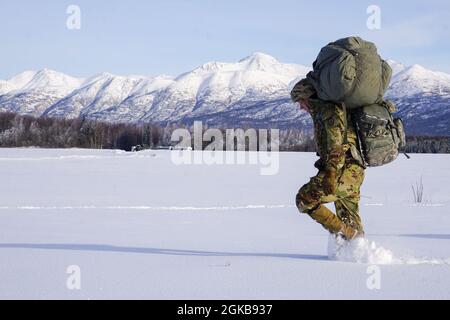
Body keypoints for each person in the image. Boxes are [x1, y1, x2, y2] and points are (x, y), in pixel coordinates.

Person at [291, 79, 366, 240]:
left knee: (304, 199)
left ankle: (347, 234)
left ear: (308, 97)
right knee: (349, 220)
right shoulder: (324, 111)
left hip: (343, 172)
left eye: (301, 101)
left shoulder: (328, 111)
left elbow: (336, 145)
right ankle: (359, 253)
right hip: (353, 172)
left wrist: (331, 173)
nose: (300, 107)